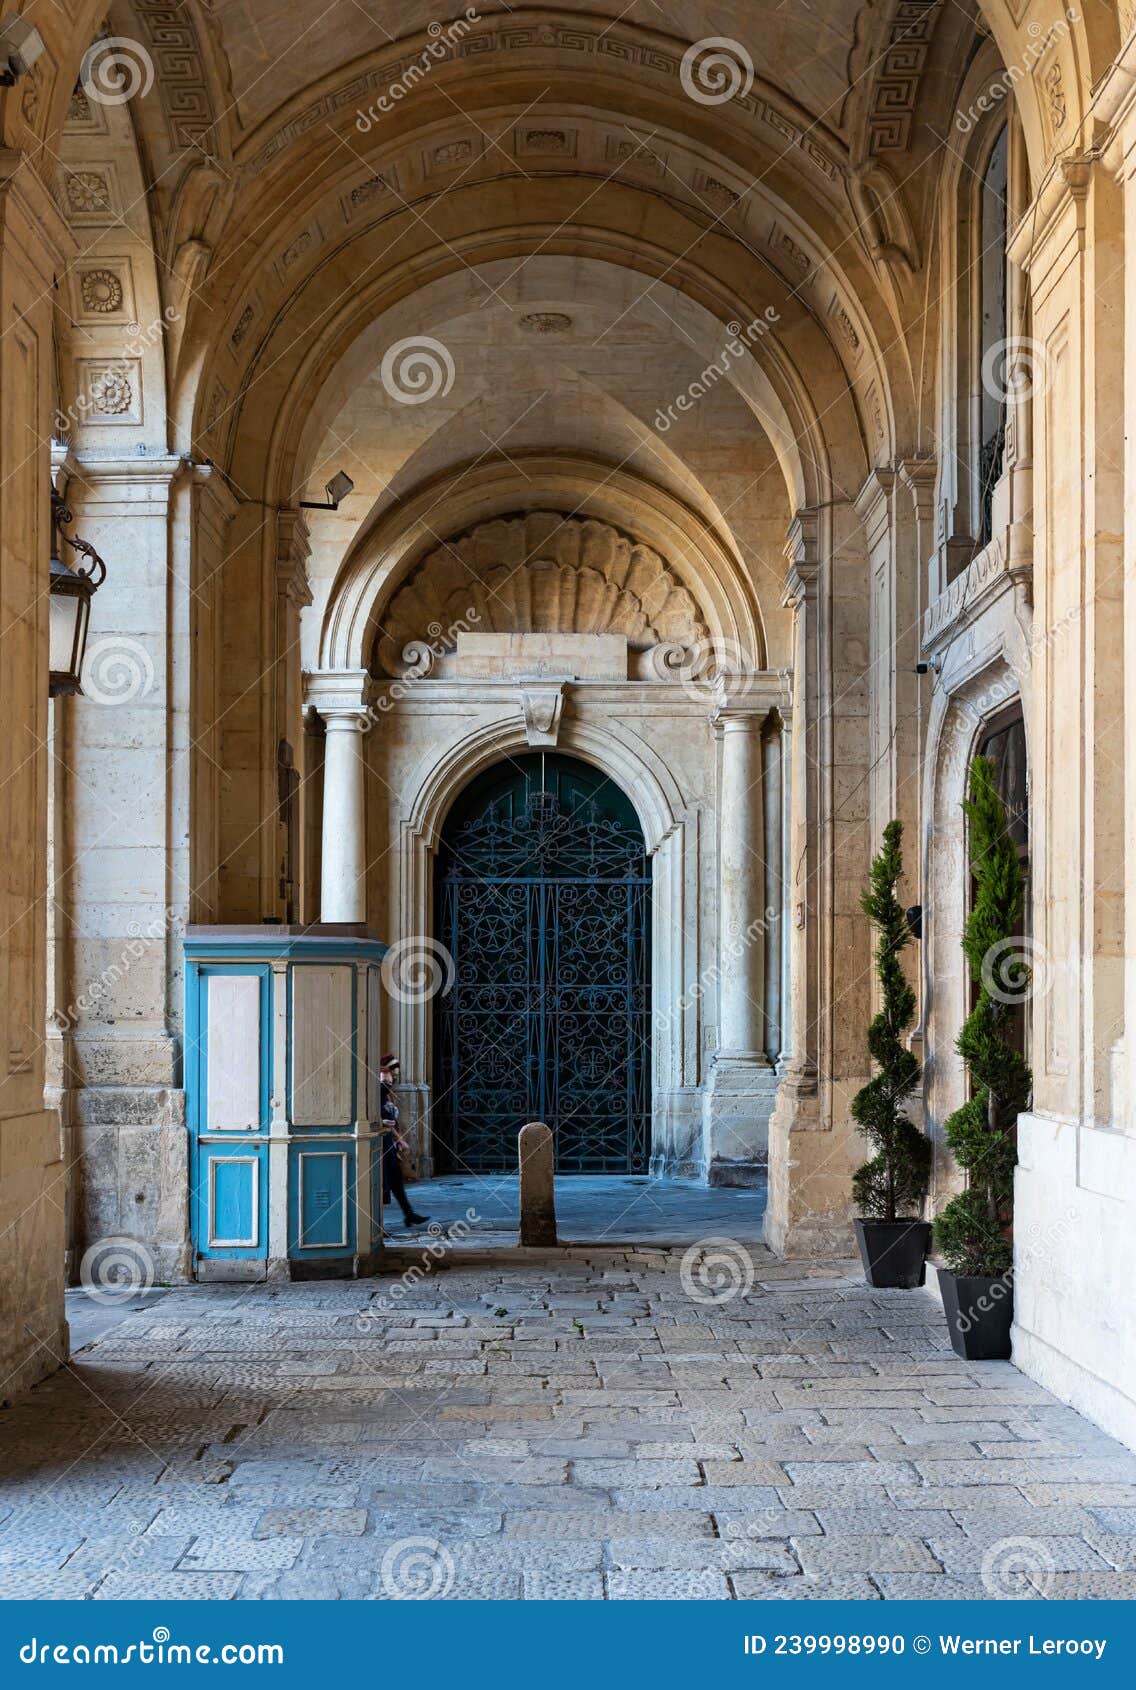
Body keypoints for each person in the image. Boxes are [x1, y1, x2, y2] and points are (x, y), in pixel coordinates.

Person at [379, 1054, 428, 1229]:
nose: (394, 1074)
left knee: (394, 1181)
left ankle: (408, 1214)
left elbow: (389, 1117)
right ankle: (377, 1225)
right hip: (381, 1144)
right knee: (383, 1185)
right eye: (392, 1069)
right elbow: (380, 1115)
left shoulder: (386, 1089)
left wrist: (398, 1139)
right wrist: (399, 1138)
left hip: (387, 1142)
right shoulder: (380, 1087)